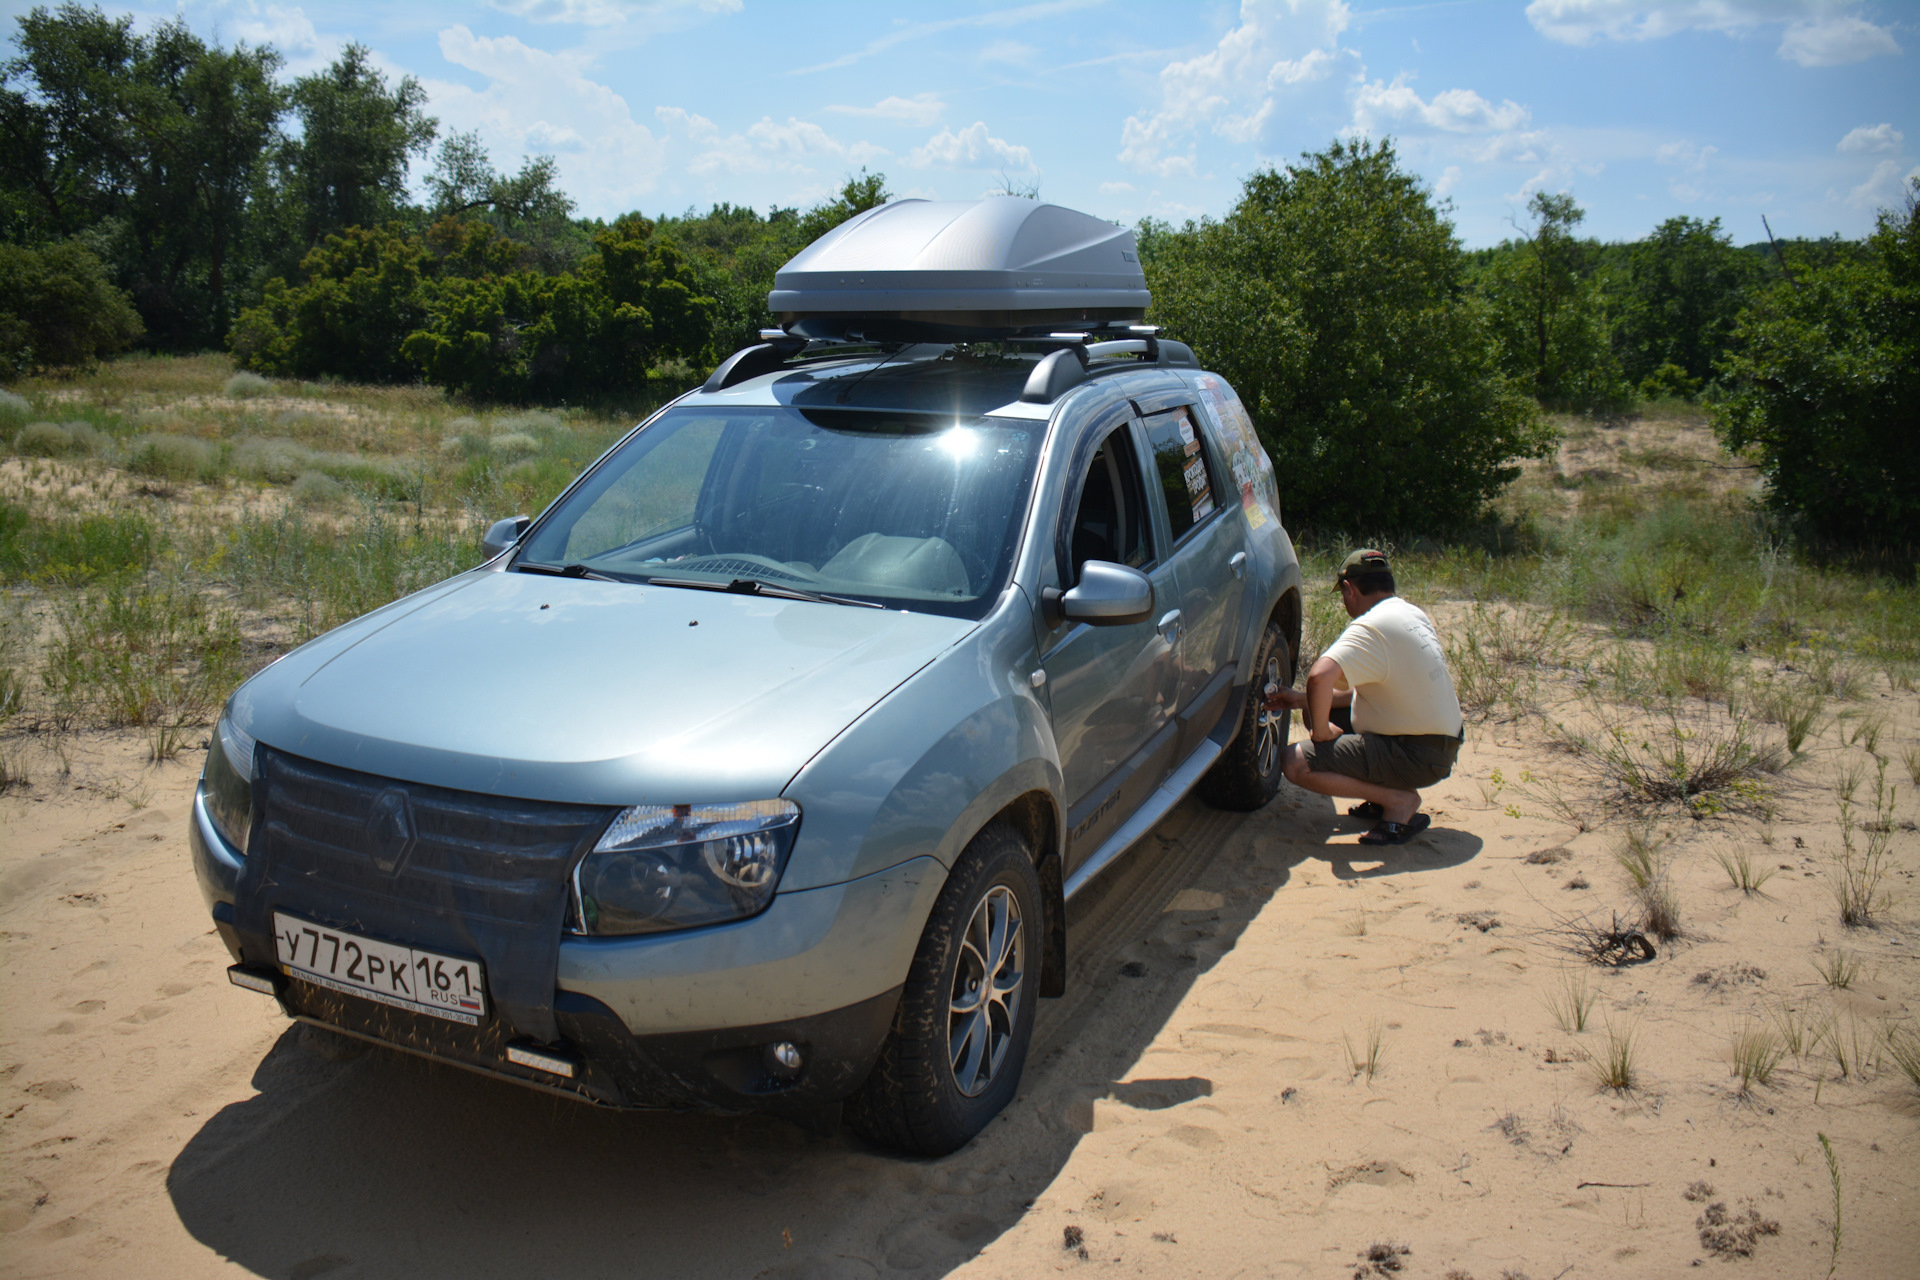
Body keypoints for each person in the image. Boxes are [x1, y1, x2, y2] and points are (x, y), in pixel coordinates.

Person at [1265, 549, 1463, 846]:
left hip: (1416, 755)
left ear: (1349, 589)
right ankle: (1384, 796)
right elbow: (1362, 692)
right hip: (1439, 745)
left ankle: (1397, 802)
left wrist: (1321, 734)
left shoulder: (1371, 627)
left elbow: (1319, 677)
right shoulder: (1410, 614)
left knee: (1294, 763)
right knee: (1320, 707)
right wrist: (1298, 699)